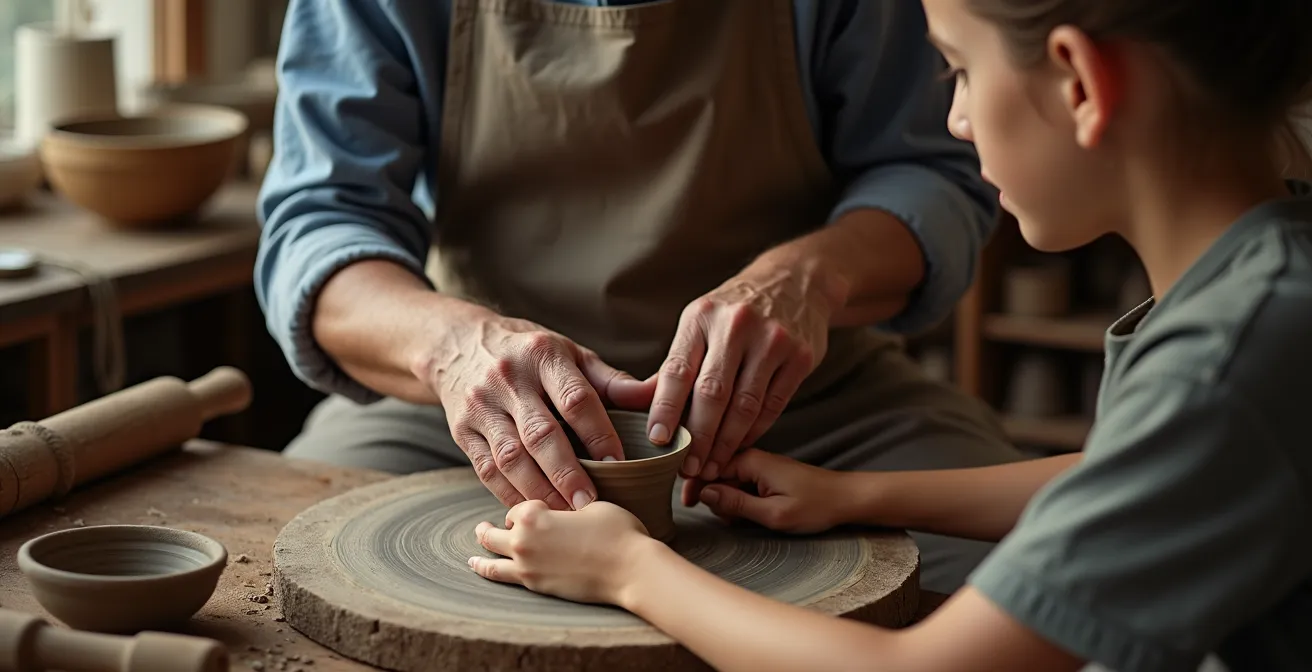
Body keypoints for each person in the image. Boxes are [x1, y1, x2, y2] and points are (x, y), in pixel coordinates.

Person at [464, 0, 1312, 670]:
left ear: (1079, 84)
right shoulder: (1265, 279)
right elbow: (1137, 479)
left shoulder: (1232, 356)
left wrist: (630, 570)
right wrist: (854, 496)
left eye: (962, 71)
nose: (957, 120)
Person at [256, 0, 1024, 595]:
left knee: (1027, 585)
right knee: (285, 569)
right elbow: (319, 226)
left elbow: (936, 176)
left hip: (814, 408)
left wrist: (808, 278)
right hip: (470, 411)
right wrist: (455, 349)